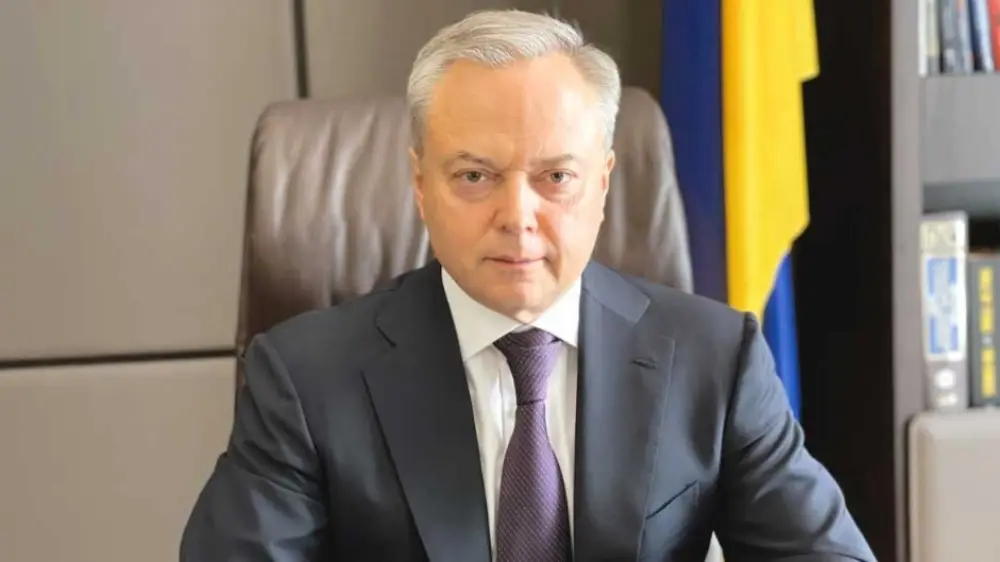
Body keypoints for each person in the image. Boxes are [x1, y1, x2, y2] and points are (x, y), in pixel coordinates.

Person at [180, 9, 876, 562]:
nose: (517, 215)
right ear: (420, 185)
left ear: (602, 183)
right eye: (475, 175)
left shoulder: (716, 359)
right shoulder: (305, 381)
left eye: (556, 177)